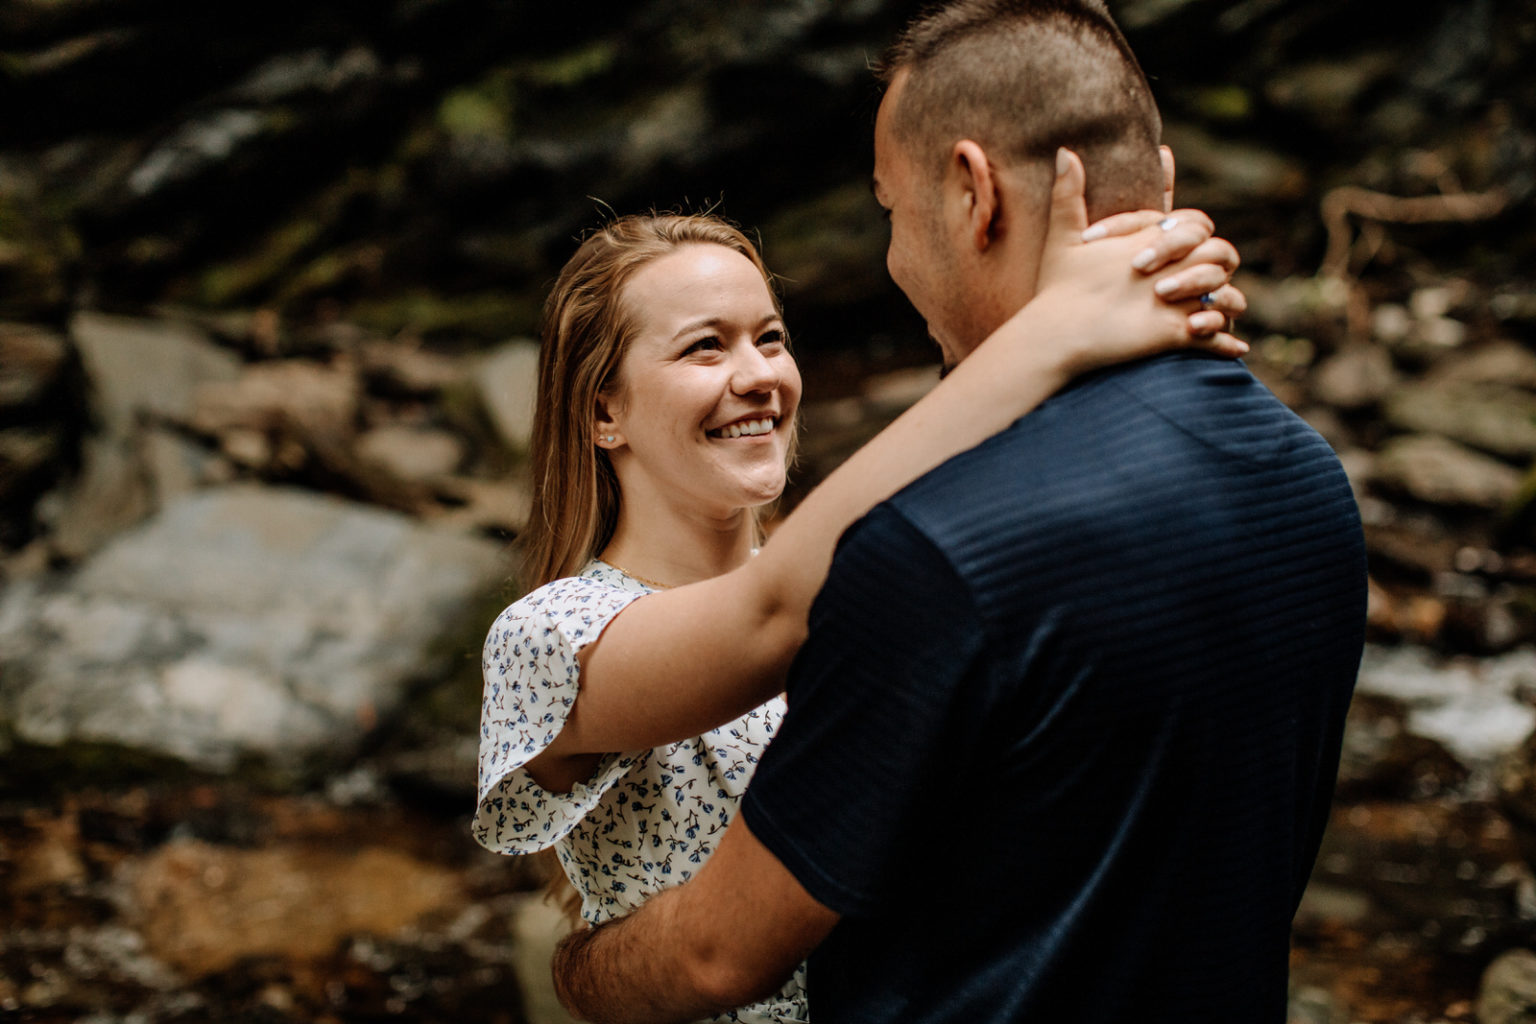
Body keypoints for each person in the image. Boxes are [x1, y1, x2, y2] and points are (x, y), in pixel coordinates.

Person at [548, 3, 1368, 1023]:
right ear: (1161, 181)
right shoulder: (1307, 480)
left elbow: (717, 955)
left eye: (892, 209)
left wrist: (579, 970)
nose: (893, 260)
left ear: (975, 194)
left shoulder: (939, 552)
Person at [475, 159, 1245, 1021]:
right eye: (705, 345)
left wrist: (1148, 298)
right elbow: (769, 615)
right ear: (600, 413)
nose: (760, 374)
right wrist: (1053, 331)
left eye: (769, 338)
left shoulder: (858, 573)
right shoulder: (550, 636)